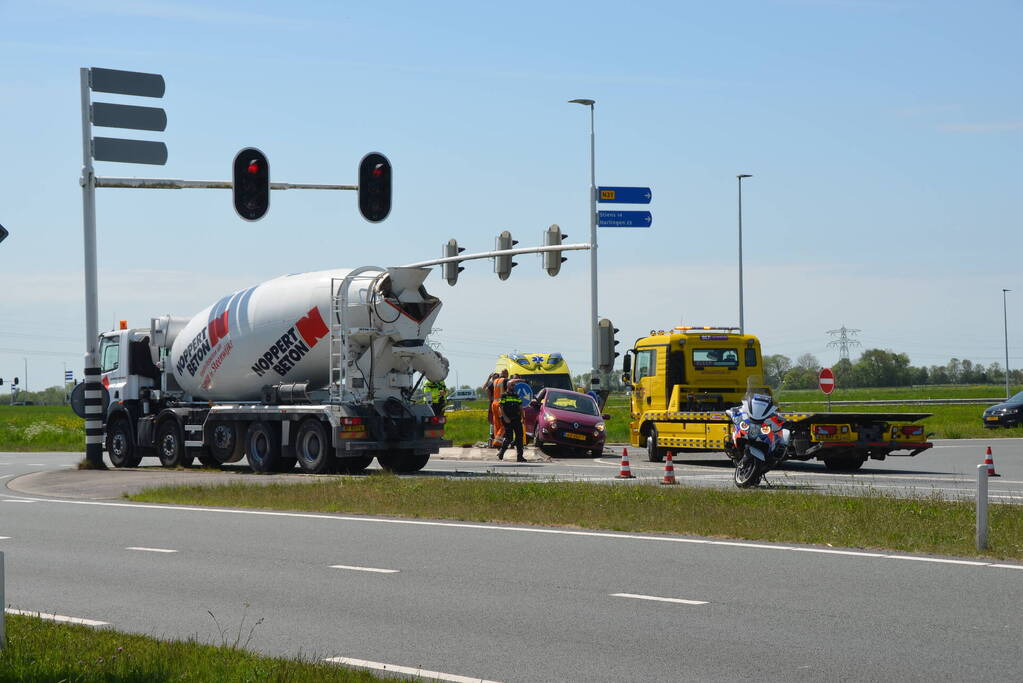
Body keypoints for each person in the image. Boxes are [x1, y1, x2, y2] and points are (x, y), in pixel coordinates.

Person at [496, 382, 526, 462]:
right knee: (509, 438)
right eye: (512, 385)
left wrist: (523, 417)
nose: (513, 386)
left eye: (514, 385)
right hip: (507, 419)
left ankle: (520, 457)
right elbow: (501, 407)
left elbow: (520, 406)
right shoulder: (504, 395)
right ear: (508, 386)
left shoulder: (516, 395)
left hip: (516, 419)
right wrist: (505, 417)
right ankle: (501, 452)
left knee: (519, 437)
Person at [489, 369, 509, 447]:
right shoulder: (505, 380)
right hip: (501, 404)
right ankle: (497, 442)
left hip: (494, 404)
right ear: (506, 374)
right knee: (504, 424)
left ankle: (497, 442)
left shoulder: (495, 381)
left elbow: (487, 389)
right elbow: (511, 383)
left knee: (496, 424)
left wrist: (490, 398)